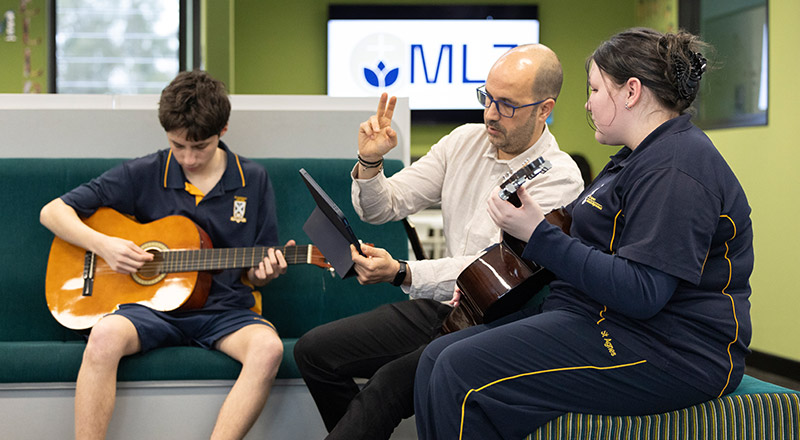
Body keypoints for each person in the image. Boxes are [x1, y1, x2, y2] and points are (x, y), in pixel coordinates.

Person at [413, 28, 754, 439]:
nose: (587, 102)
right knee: (436, 356)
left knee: (458, 371)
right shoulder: (632, 160)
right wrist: (481, 286)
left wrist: (539, 233)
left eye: (594, 89)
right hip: (600, 318)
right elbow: (569, 240)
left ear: (631, 92)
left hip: (671, 351)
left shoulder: (676, 168)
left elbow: (643, 292)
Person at [293, 44, 584, 439]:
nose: (490, 114)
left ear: (544, 109)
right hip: (443, 306)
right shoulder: (464, 141)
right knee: (314, 352)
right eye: (487, 97)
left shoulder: (560, 179)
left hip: (497, 323)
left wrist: (401, 272)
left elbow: (490, 268)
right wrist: (371, 162)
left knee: (386, 386)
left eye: (506, 105)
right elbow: (383, 206)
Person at [39, 70, 292, 440]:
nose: (188, 157)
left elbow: (256, 268)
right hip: (149, 309)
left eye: (200, 146)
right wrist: (105, 245)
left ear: (222, 130)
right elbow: (53, 212)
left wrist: (263, 274)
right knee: (103, 337)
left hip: (225, 310)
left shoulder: (253, 178)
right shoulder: (144, 171)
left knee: (269, 350)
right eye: (178, 145)